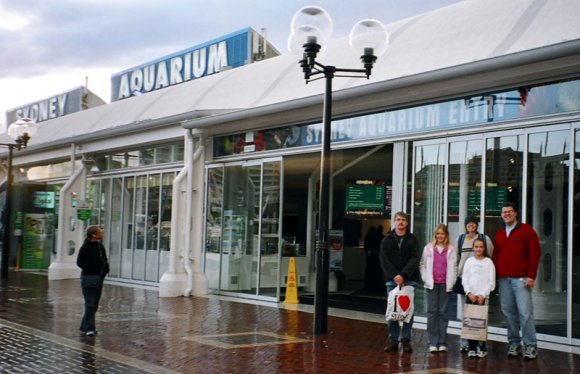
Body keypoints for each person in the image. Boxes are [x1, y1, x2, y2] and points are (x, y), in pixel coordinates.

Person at [492, 202, 541, 360]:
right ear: (501, 215)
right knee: (508, 312)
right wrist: (493, 278)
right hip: (504, 279)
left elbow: (535, 253)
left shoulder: (527, 231)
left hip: (521, 279)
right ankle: (514, 343)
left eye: (509, 212)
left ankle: (531, 345)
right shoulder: (499, 234)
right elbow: (495, 257)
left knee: (525, 313)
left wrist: (531, 275)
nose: (507, 214)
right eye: (504, 212)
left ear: (515, 214)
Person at [380, 212, 420, 353]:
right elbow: (384, 260)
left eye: (403, 220)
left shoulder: (413, 239)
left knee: (408, 311)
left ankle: (406, 340)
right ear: (394, 222)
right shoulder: (387, 240)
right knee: (392, 310)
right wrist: (395, 276)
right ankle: (393, 340)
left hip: (410, 280)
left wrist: (403, 275)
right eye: (398, 220)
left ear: (407, 223)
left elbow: (415, 259)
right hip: (392, 281)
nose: (401, 222)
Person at [456, 215, 494, 352]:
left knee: (480, 314)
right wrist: (457, 274)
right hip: (465, 280)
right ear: (465, 225)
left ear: (477, 225)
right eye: (468, 223)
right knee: (465, 313)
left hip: (481, 283)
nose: (471, 225)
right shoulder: (460, 239)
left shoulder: (484, 239)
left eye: (473, 223)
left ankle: (480, 342)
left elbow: (490, 254)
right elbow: (456, 258)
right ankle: (466, 342)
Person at [420, 223, 456, 353]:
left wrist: (452, 281)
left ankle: (442, 342)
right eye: (438, 234)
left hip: (445, 285)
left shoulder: (451, 249)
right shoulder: (428, 248)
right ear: (435, 235)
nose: (440, 236)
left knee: (443, 313)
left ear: (446, 235)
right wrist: (425, 278)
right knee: (432, 312)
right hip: (432, 284)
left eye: (442, 233)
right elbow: (423, 265)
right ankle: (433, 342)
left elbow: (455, 267)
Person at [462, 238, 495, 358]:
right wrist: (469, 292)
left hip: (482, 298)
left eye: (481, 247)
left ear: (484, 248)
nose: (478, 249)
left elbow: (491, 282)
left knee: (481, 323)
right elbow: (465, 278)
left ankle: (482, 346)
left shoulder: (488, 262)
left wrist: (483, 295)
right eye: (476, 247)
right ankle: (471, 347)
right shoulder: (469, 261)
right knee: (471, 322)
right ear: (473, 248)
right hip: (471, 296)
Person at [77, 225, 110, 337]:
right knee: (90, 303)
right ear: (94, 235)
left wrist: (104, 271)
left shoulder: (100, 246)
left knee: (94, 304)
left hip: (98, 278)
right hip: (88, 278)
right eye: (100, 232)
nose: (102, 234)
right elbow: (80, 262)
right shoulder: (85, 247)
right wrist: (92, 268)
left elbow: (104, 260)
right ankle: (90, 328)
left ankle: (84, 326)